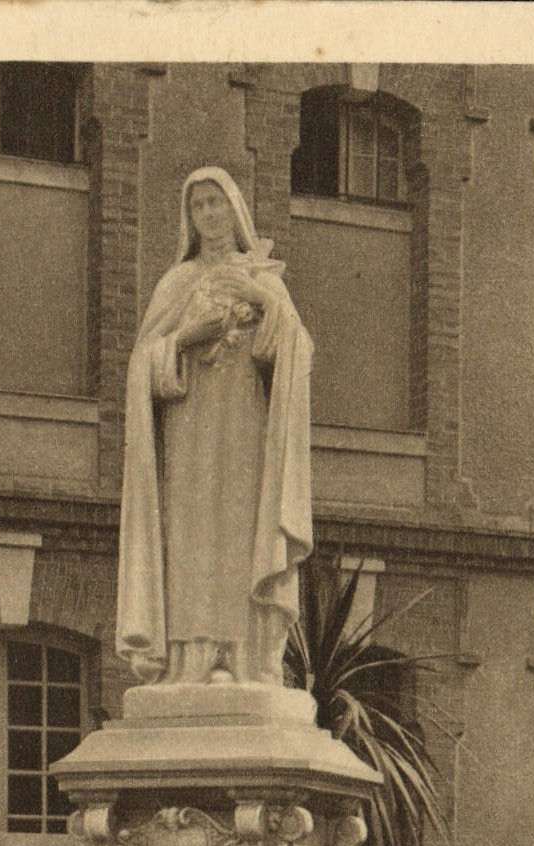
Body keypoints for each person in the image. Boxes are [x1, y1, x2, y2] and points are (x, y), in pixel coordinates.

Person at [116, 167, 313, 687]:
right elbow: (142, 369)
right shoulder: (176, 283)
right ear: (190, 217)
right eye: (198, 206)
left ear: (234, 210)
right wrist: (186, 338)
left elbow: (294, 351)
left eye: (215, 203)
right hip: (189, 434)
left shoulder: (263, 275)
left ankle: (243, 654)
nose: (208, 214)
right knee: (191, 537)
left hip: (246, 427)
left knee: (242, 531)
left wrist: (262, 298)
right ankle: (192, 659)